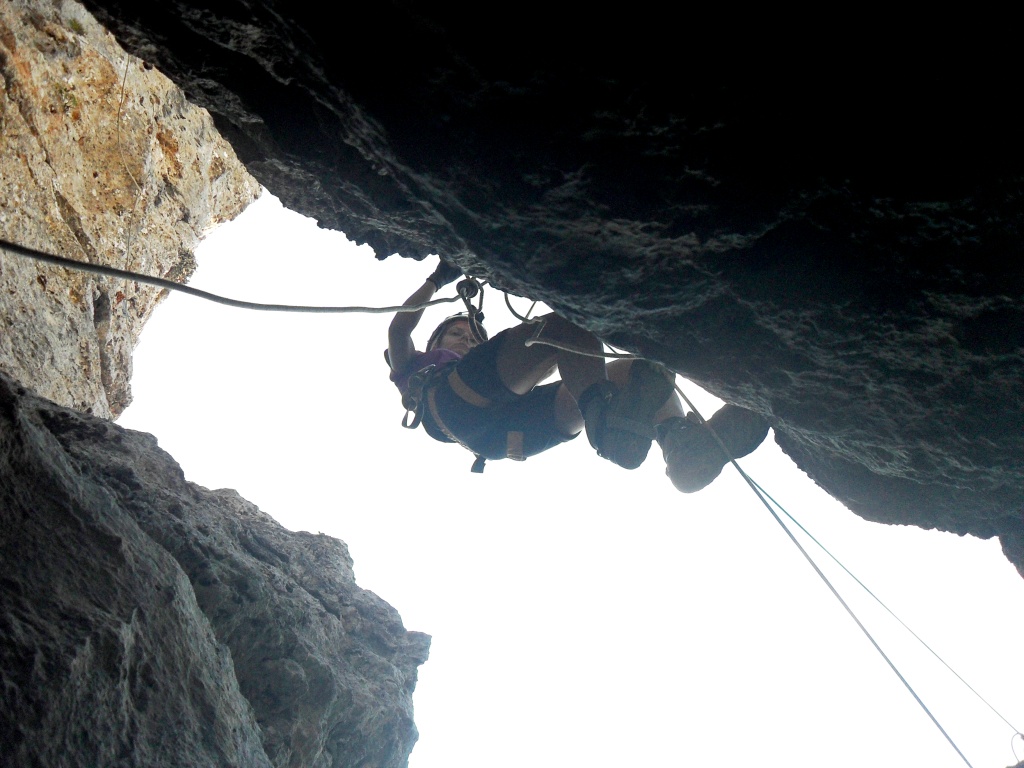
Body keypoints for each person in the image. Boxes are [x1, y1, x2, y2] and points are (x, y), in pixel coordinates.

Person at [387, 258, 769, 490]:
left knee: (637, 369)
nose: (467, 339)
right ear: (434, 342)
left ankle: (676, 443)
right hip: (454, 408)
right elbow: (399, 330)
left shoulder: (485, 369)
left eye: (472, 336)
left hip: (507, 437)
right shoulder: (418, 369)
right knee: (561, 327)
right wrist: (437, 279)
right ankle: (605, 420)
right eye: (457, 333)